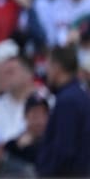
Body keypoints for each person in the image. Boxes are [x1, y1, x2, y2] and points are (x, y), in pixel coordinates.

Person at [37, 45, 90, 177]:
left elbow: (65, 149)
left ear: (57, 67)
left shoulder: (68, 100)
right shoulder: (78, 94)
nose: (46, 71)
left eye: (48, 65)